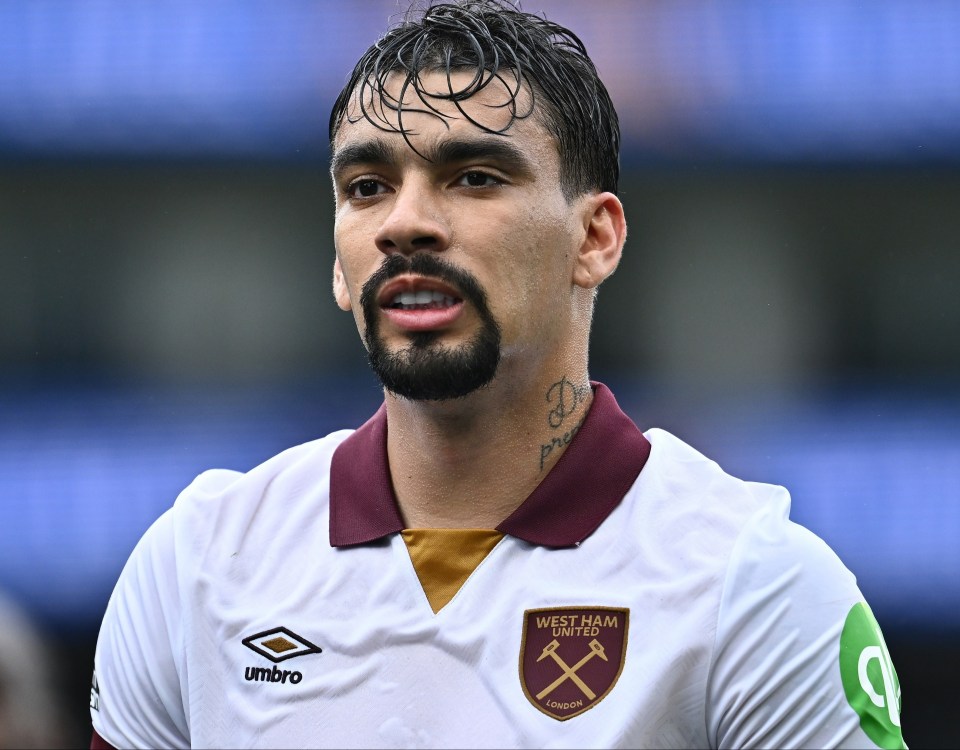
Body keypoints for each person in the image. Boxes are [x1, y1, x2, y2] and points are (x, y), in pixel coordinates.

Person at [90, 1, 907, 748]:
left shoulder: (754, 589)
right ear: (338, 265)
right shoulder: (196, 567)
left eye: (474, 177)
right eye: (367, 187)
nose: (406, 222)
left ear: (595, 239)